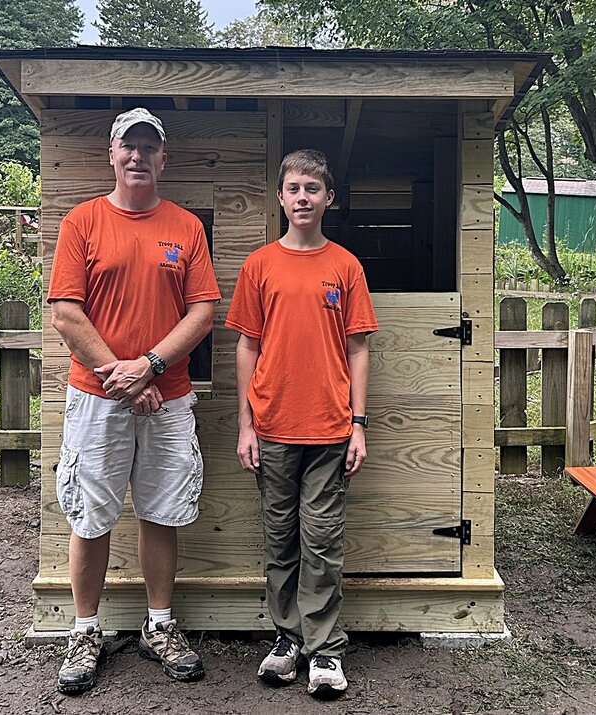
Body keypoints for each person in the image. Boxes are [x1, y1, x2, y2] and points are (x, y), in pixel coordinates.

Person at [48, 107, 220, 694]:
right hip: (96, 397)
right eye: (129, 146)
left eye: (149, 148)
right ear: (112, 154)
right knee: (91, 513)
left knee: (161, 510)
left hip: (167, 397)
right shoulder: (83, 222)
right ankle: (85, 631)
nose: (138, 157)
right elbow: (66, 311)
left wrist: (149, 368)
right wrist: (118, 375)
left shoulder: (186, 227)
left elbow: (202, 311)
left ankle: (159, 625)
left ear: (163, 159)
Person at [225, 149, 378, 700]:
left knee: (322, 541)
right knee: (279, 540)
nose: (302, 198)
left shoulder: (345, 266)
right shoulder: (260, 265)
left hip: (331, 428)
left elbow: (358, 349)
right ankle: (287, 641)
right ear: (281, 197)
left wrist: (358, 423)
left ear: (328, 198)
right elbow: (247, 346)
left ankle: (326, 651)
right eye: (293, 189)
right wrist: (246, 424)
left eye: (312, 189)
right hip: (272, 426)